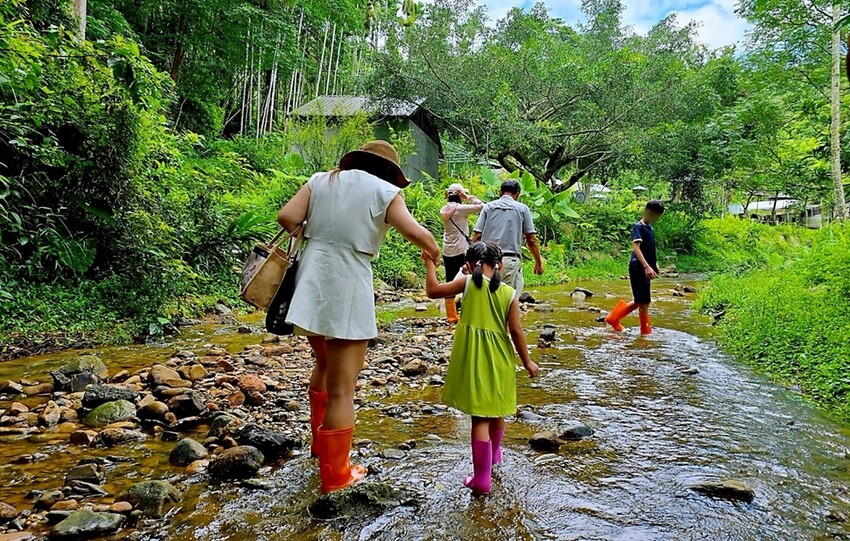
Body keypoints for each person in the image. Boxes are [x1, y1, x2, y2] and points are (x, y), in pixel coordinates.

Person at [277, 140, 440, 493]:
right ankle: (336, 475)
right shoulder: (385, 191)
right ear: (389, 171)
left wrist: (316, 237)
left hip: (311, 279)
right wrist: (434, 249)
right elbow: (415, 232)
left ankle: (320, 448)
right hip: (347, 282)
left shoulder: (321, 180)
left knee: (323, 363)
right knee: (343, 389)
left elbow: (287, 217)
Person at [423, 241, 539, 495]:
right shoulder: (509, 293)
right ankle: (494, 456)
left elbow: (433, 291)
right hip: (501, 357)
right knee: (497, 408)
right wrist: (527, 361)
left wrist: (430, 264)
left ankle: (482, 480)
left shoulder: (466, 283)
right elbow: (517, 331)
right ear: (500, 265)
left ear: (469, 264)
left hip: (476, 358)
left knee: (479, 417)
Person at [472, 179, 543, 299]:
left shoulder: (488, 207)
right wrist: (538, 262)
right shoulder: (522, 209)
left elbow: (477, 235)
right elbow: (531, 240)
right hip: (509, 260)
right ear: (517, 194)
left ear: (500, 192)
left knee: (488, 295)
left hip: (487, 259)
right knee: (507, 298)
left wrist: (470, 257)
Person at [605, 200, 666, 335]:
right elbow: (636, 248)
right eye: (655, 215)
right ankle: (645, 335)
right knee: (644, 303)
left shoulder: (650, 228)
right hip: (638, 267)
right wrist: (646, 266)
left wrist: (654, 264)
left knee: (641, 301)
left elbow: (649, 249)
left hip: (643, 267)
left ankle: (613, 318)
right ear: (648, 212)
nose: (656, 218)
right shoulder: (639, 227)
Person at [440, 183, 483, 323]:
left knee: (449, 280)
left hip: (447, 250)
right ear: (459, 195)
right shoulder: (460, 209)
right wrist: (468, 196)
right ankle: (467, 313)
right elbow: (482, 206)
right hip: (461, 250)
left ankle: (451, 316)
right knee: (467, 280)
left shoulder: (444, 209)